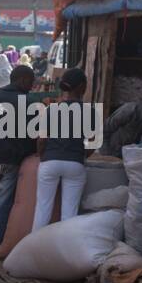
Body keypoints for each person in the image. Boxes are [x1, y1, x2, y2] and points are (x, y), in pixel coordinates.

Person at [0, 64, 37, 252]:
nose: (32, 85)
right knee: (3, 202)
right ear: (21, 80)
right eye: (30, 82)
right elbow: (32, 135)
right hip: (12, 160)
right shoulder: (28, 103)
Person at [32, 68, 90, 232]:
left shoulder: (52, 109)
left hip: (50, 162)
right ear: (81, 87)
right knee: (69, 214)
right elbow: (93, 143)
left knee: (42, 209)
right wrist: (81, 154)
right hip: (75, 164)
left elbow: (42, 140)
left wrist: (43, 156)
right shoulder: (90, 111)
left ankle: (35, 249)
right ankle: (64, 251)